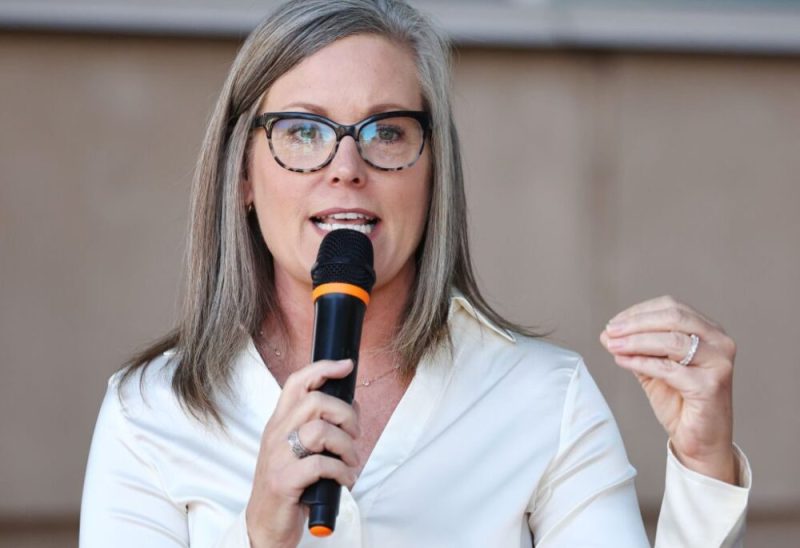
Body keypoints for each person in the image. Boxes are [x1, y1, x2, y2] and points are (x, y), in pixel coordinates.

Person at [79, 1, 750, 546]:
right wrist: (258, 538)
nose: (346, 167)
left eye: (386, 132)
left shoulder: (543, 398)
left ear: (435, 175)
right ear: (244, 176)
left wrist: (704, 465)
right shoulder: (149, 412)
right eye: (304, 131)